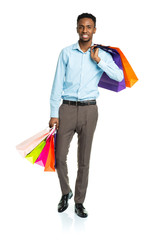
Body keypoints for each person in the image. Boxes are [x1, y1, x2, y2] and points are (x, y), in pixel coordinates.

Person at [49, 13, 123, 218]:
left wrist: (98, 61)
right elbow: (56, 84)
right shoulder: (66, 53)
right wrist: (54, 113)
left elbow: (118, 76)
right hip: (67, 108)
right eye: (81, 27)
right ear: (77, 29)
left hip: (90, 110)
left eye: (89, 27)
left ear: (94, 30)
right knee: (59, 156)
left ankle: (79, 202)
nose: (85, 31)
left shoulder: (101, 54)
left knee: (84, 159)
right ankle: (66, 192)